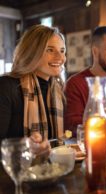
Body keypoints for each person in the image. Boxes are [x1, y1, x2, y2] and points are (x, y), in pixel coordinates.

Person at [0, 25, 66, 155]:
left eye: (62, 51)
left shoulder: (57, 91)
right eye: (50, 50)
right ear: (32, 53)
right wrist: (24, 147)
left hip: (50, 170)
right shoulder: (6, 86)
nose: (60, 57)